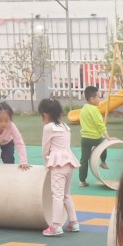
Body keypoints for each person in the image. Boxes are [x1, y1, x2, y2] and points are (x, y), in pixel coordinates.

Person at [38, 98, 79, 237]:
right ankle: (74, 222)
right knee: (66, 194)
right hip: (69, 162)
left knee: (57, 195)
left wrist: (46, 162)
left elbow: (45, 148)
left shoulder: (48, 127)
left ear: (45, 114)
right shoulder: (65, 126)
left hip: (58, 163)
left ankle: (55, 225)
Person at [78, 86, 108, 186]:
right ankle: (103, 161)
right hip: (96, 138)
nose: (100, 99)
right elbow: (100, 124)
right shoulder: (94, 109)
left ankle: (82, 181)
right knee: (105, 143)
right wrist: (107, 137)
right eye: (98, 97)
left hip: (85, 139)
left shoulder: (84, 108)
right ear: (92, 99)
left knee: (84, 160)